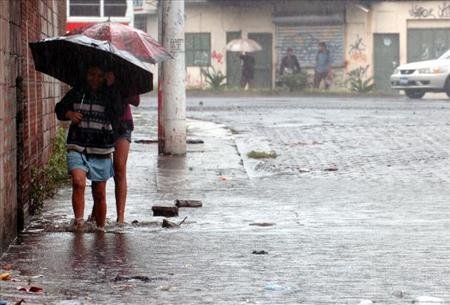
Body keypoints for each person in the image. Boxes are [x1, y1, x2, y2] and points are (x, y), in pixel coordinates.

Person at [55, 65, 122, 231]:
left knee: (99, 193)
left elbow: (117, 113)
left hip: (101, 149)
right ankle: (79, 223)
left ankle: (100, 229)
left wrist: (112, 86)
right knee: (78, 182)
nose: (94, 79)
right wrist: (70, 114)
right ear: (86, 74)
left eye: (99, 75)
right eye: (91, 74)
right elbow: (59, 108)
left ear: (105, 77)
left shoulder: (110, 94)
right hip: (77, 145)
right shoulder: (78, 91)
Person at [88, 72, 140, 225]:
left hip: (122, 124)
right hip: (101, 123)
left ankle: (121, 217)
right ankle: (96, 211)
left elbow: (136, 100)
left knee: (119, 168)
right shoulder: (99, 71)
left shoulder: (127, 71)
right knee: (98, 168)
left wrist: (115, 86)